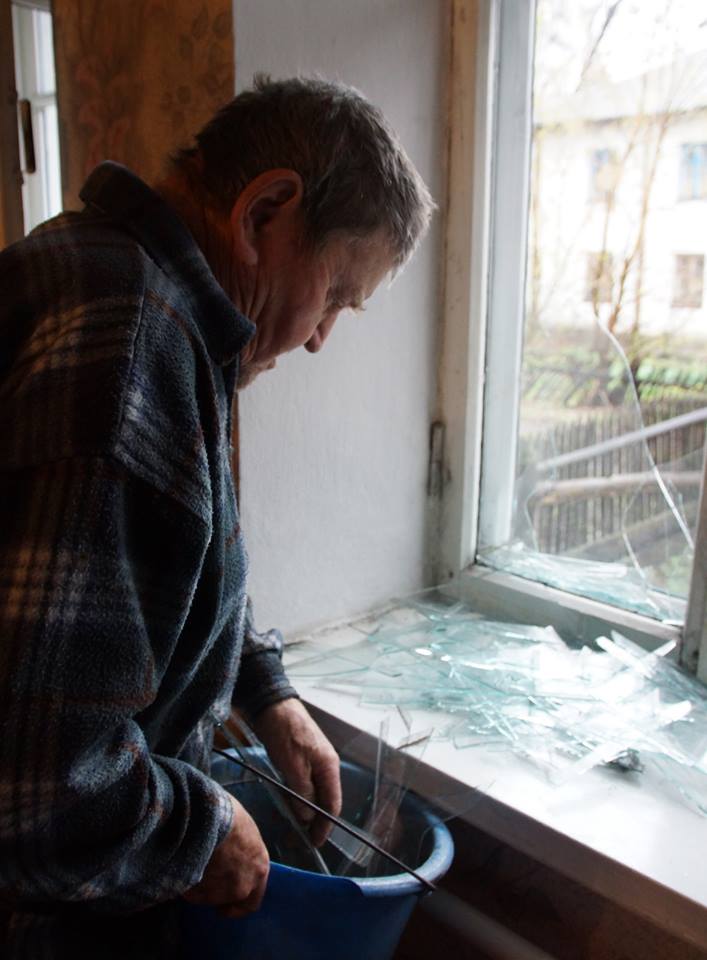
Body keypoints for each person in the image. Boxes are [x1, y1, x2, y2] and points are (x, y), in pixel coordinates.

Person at [0, 75, 433, 958]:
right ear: (264, 212)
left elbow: (153, 568)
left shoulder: (102, 271)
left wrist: (266, 691)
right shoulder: (129, 348)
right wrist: (204, 831)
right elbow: (37, 793)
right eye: (336, 294)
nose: (321, 336)